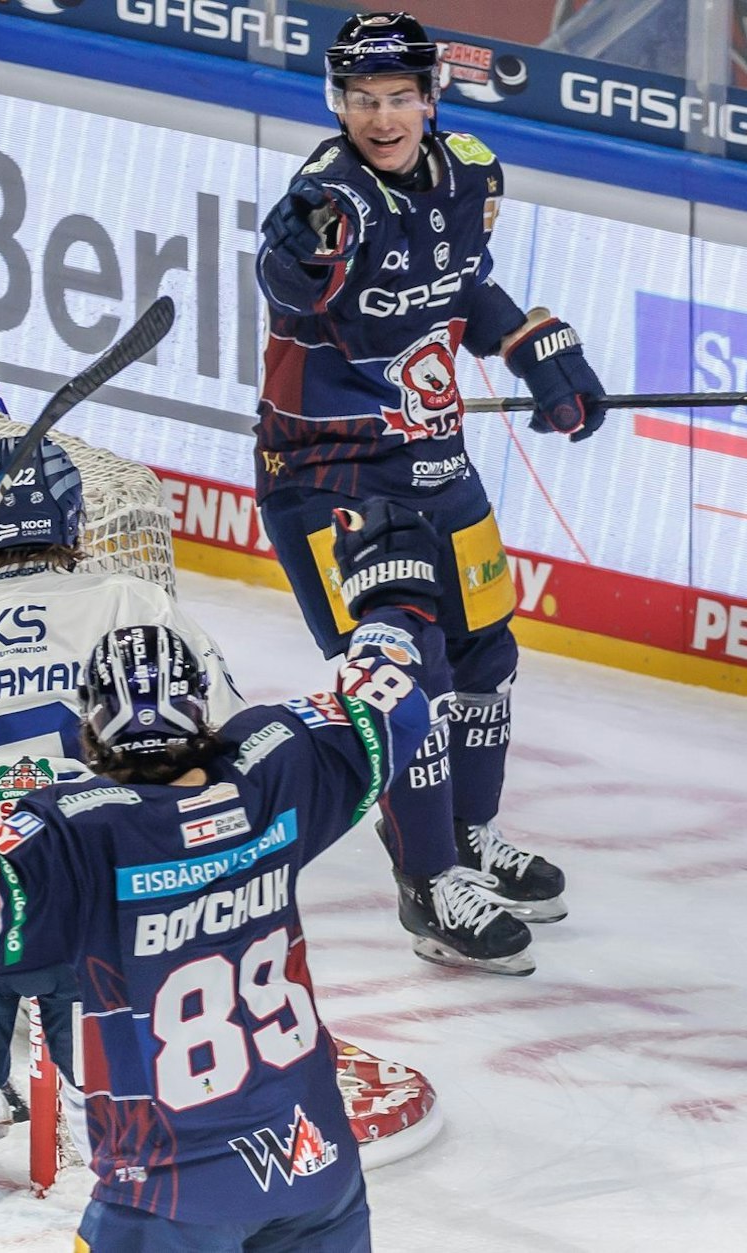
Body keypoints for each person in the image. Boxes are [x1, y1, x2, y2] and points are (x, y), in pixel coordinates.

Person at [0, 497, 450, 1252]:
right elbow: (388, 697)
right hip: (316, 1171)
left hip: (165, 1196)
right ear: (198, 705)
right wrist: (391, 597)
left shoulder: (75, 832)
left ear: (87, 723)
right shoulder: (279, 767)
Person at [0, 374, 245, 1249]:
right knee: (136, 1142)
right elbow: (222, 747)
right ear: (76, 523)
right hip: (87, 899)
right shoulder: (131, 603)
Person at [252, 11, 606, 976]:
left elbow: (465, 287)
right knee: (405, 675)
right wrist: (292, 261)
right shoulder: (330, 200)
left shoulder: (470, 175)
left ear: (430, 99)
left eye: (400, 97)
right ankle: (430, 884)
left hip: (434, 456)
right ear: (339, 103)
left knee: (487, 649)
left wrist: (533, 347)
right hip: (330, 475)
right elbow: (291, 287)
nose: (382, 117)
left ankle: (467, 831)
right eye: (363, 99)